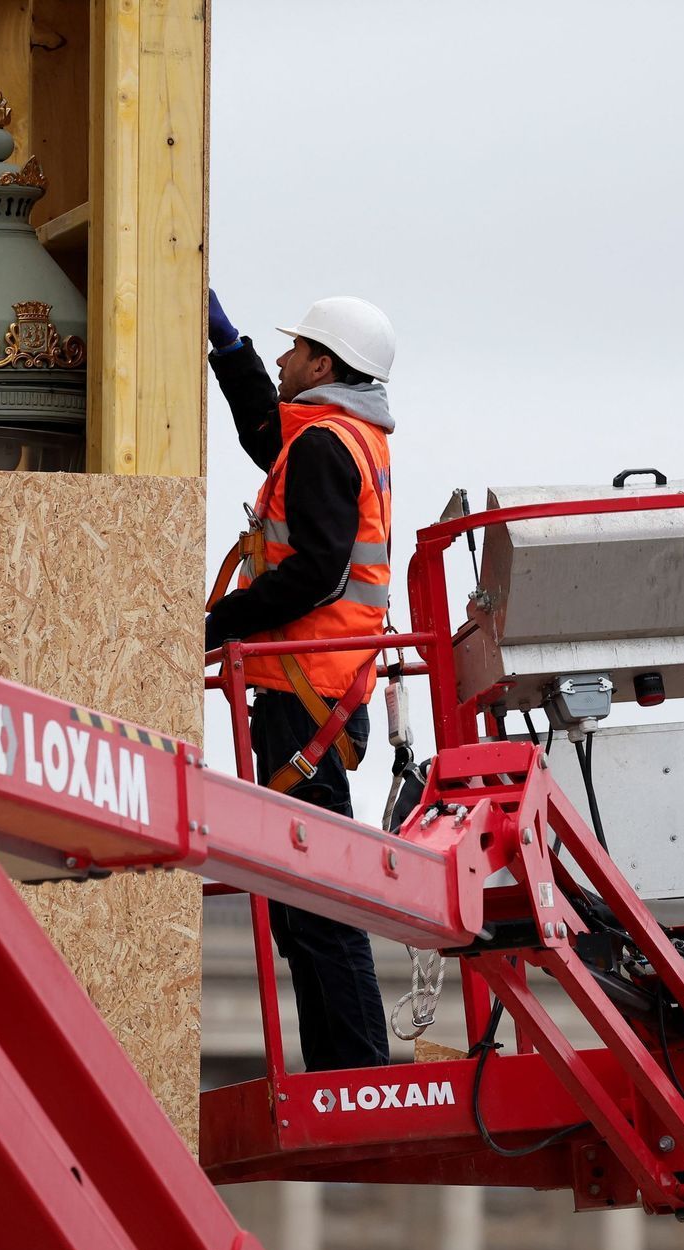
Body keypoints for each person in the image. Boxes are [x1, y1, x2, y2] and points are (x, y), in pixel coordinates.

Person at [204, 289, 396, 1072]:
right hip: (317, 693)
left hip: (305, 696)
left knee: (316, 902)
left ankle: (355, 1078)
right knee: (302, 902)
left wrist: (216, 624)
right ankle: (342, 1076)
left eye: (294, 349)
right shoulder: (335, 435)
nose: (281, 358)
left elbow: (317, 573)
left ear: (322, 365)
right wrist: (228, 347)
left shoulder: (324, 445)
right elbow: (263, 430)